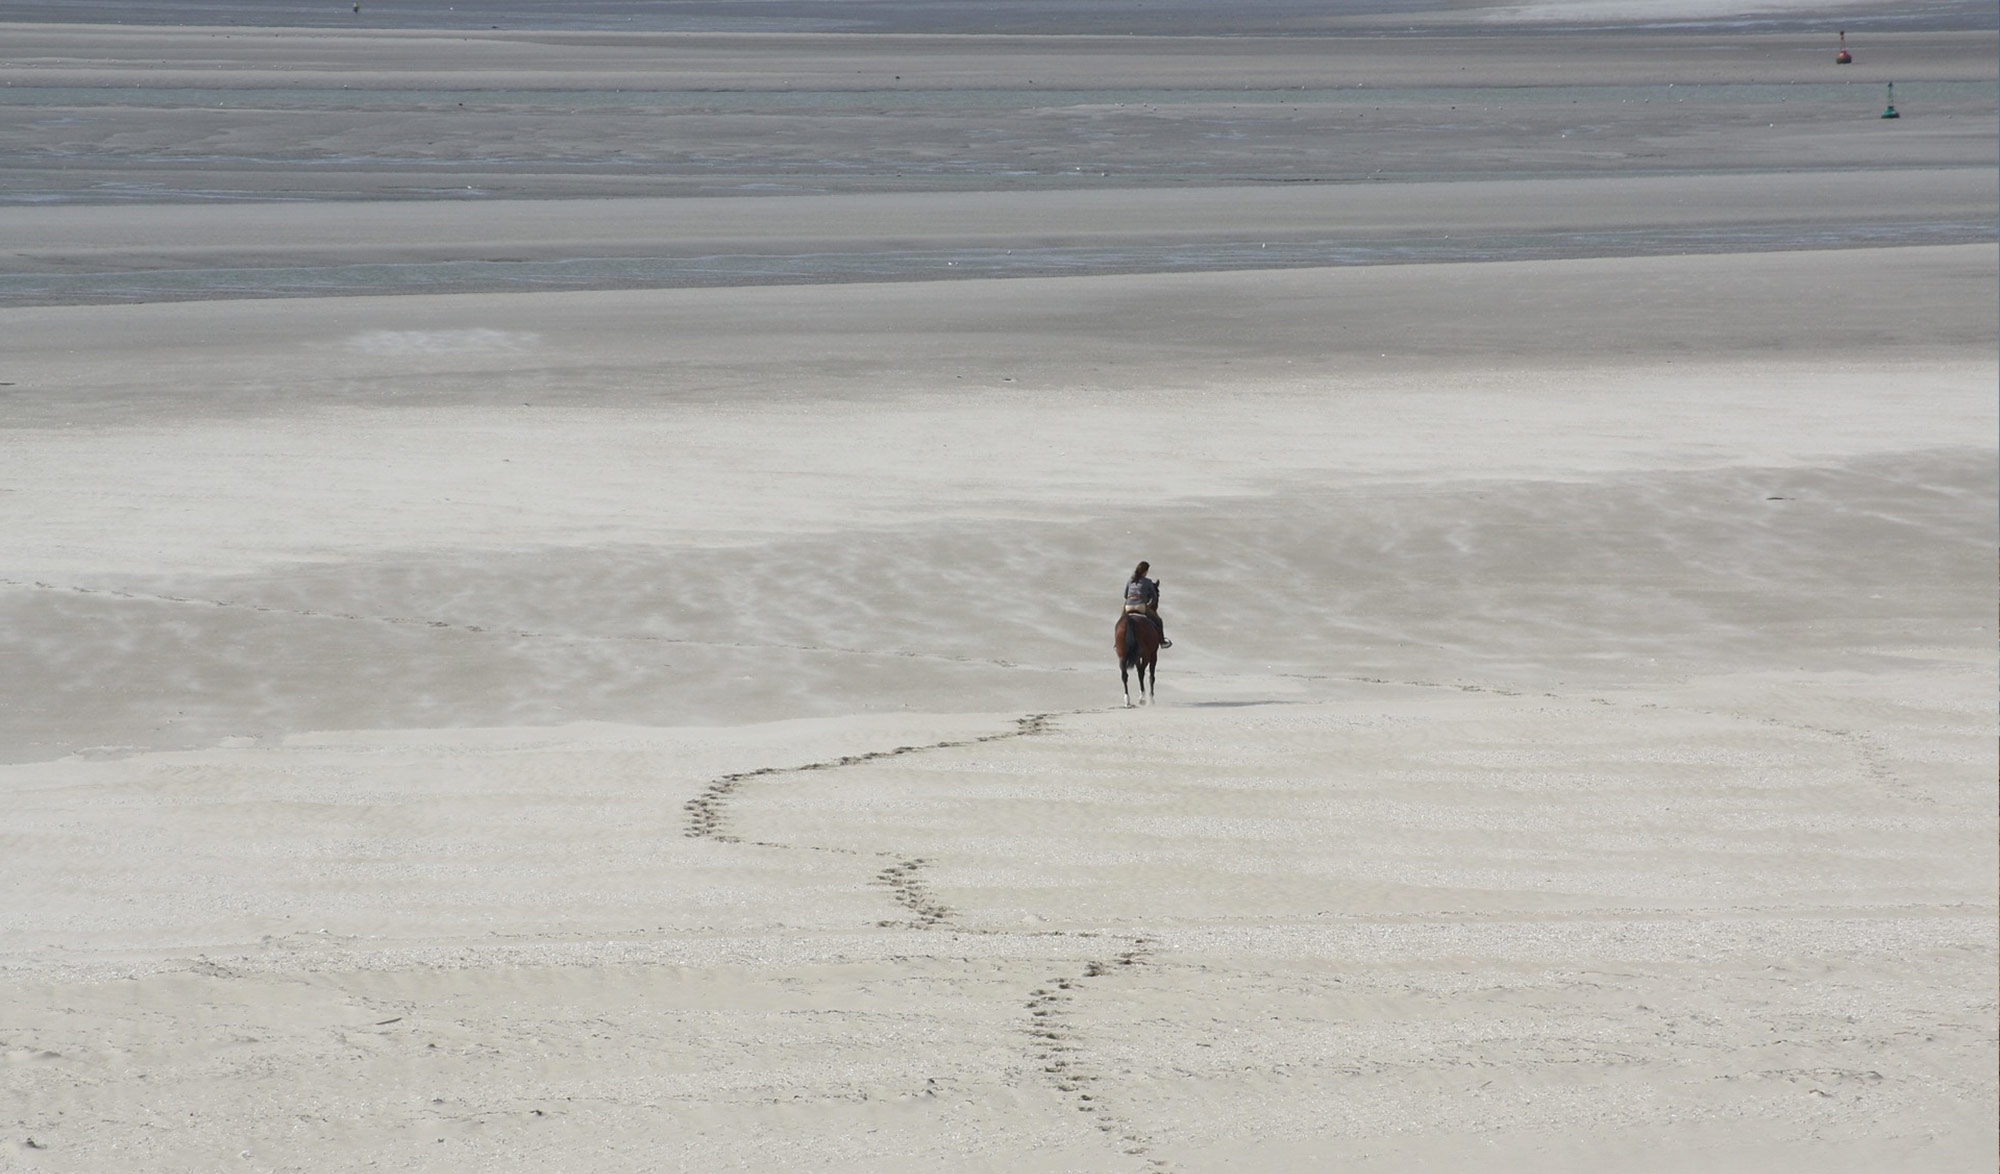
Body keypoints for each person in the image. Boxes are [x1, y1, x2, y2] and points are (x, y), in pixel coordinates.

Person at [1122, 561, 1170, 648]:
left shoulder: (1130, 580)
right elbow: (1154, 596)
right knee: (1158, 620)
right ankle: (1162, 642)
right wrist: (1149, 603)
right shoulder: (1147, 581)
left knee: (1122, 620)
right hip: (1140, 606)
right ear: (1145, 571)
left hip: (1128, 606)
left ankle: (1118, 643)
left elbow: (1125, 595)